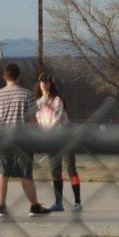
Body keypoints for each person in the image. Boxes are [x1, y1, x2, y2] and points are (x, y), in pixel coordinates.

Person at [0, 63, 51, 219]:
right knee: (26, 174)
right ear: (18, 76)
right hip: (22, 138)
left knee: (2, 172)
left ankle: (1, 207)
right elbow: (33, 119)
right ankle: (34, 206)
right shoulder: (26, 94)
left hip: (3, 138)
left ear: (4, 77)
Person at [34, 72, 82, 212]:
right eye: (41, 82)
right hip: (51, 139)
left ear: (51, 84)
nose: (44, 84)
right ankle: (58, 203)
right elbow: (39, 120)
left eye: (47, 82)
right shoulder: (38, 102)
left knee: (71, 168)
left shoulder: (57, 100)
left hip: (65, 137)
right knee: (55, 171)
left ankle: (77, 202)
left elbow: (57, 119)